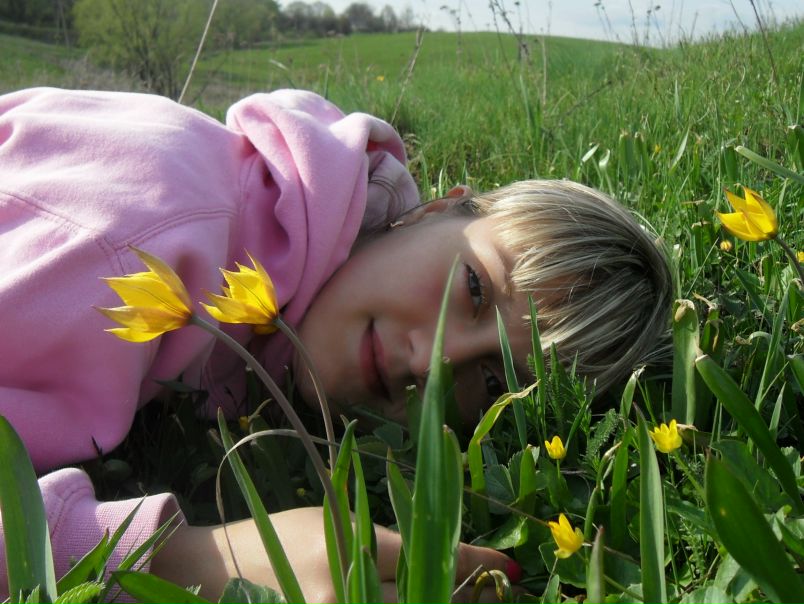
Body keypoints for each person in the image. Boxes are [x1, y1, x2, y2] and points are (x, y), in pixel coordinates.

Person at [0, 86, 672, 601]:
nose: (429, 361)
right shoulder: (137, 243)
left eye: (494, 383)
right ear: (437, 209)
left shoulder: (268, 279)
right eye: (473, 286)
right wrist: (187, 561)